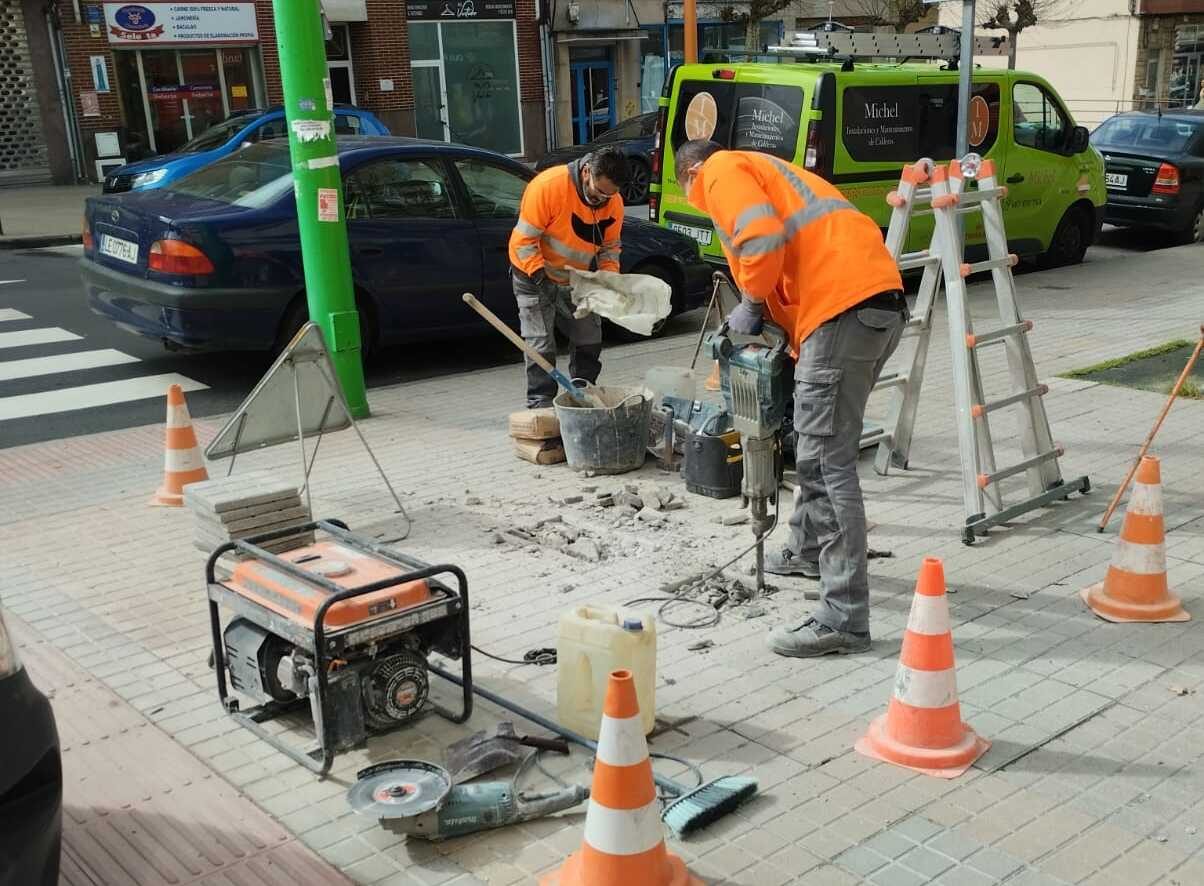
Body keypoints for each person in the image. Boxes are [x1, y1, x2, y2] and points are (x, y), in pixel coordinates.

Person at [675, 139, 906, 658]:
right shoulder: (774, 173)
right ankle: (805, 549)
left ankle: (843, 616)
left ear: (690, 172)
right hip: (871, 307)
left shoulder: (720, 169)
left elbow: (759, 236)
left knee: (827, 463)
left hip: (841, 310)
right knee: (814, 441)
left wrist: (751, 301)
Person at [508, 148, 629, 408]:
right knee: (540, 343)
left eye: (610, 195)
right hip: (533, 274)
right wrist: (541, 277)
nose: (602, 199)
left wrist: (607, 281)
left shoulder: (613, 202)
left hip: (576, 278)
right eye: (599, 192)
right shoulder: (548, 187)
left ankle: (582, 395)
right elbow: (523, 242)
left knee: (590, 337)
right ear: (587, 173)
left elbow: (609, 248)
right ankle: (540, 404)